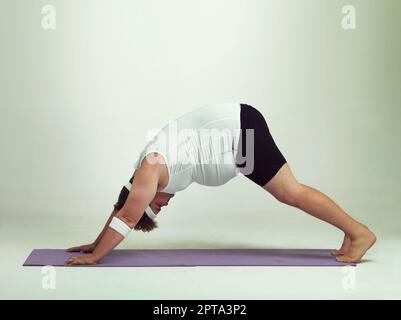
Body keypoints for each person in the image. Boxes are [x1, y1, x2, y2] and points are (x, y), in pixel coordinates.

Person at [66, 102, 376, 265]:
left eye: (156, 206)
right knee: (290, 192)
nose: (163, 205)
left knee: (290, 192)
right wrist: (97, 240)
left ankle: (359, 233)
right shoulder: (143, 175)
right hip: (237, 132)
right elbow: (125, 207)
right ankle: (354, 232)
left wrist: (96, 256)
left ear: (144, 195)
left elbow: (128, 215)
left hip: (239, 130)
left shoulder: (150, 169)